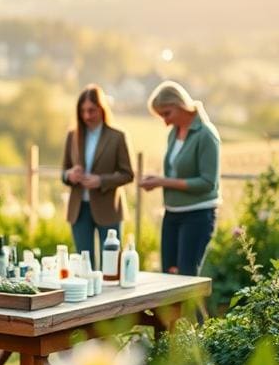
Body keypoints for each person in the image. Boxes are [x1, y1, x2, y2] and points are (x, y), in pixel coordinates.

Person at [139, 80, 221, 276]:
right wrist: (158, 179)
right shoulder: (174, 134)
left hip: (197, 216)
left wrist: (162, 182)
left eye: (167, 113)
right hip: (172, 214)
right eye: (161, 116)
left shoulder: (206, 135)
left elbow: (207, 183)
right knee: (168, 277)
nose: (165, 122)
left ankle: (195, 308)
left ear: (180, 104)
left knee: (186, 279)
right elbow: (176, 174)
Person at [61, 84, 135, 268]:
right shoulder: (73, 136)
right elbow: (63, 172)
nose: (87, 116)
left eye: (92, 110)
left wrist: (101, 181)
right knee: (84, 266)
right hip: (79, 210)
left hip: (109, 208)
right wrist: (70, 175)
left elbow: (128, 174)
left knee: (111, 267)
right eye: (83, 111)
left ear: (102, 108)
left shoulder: (117, 137)